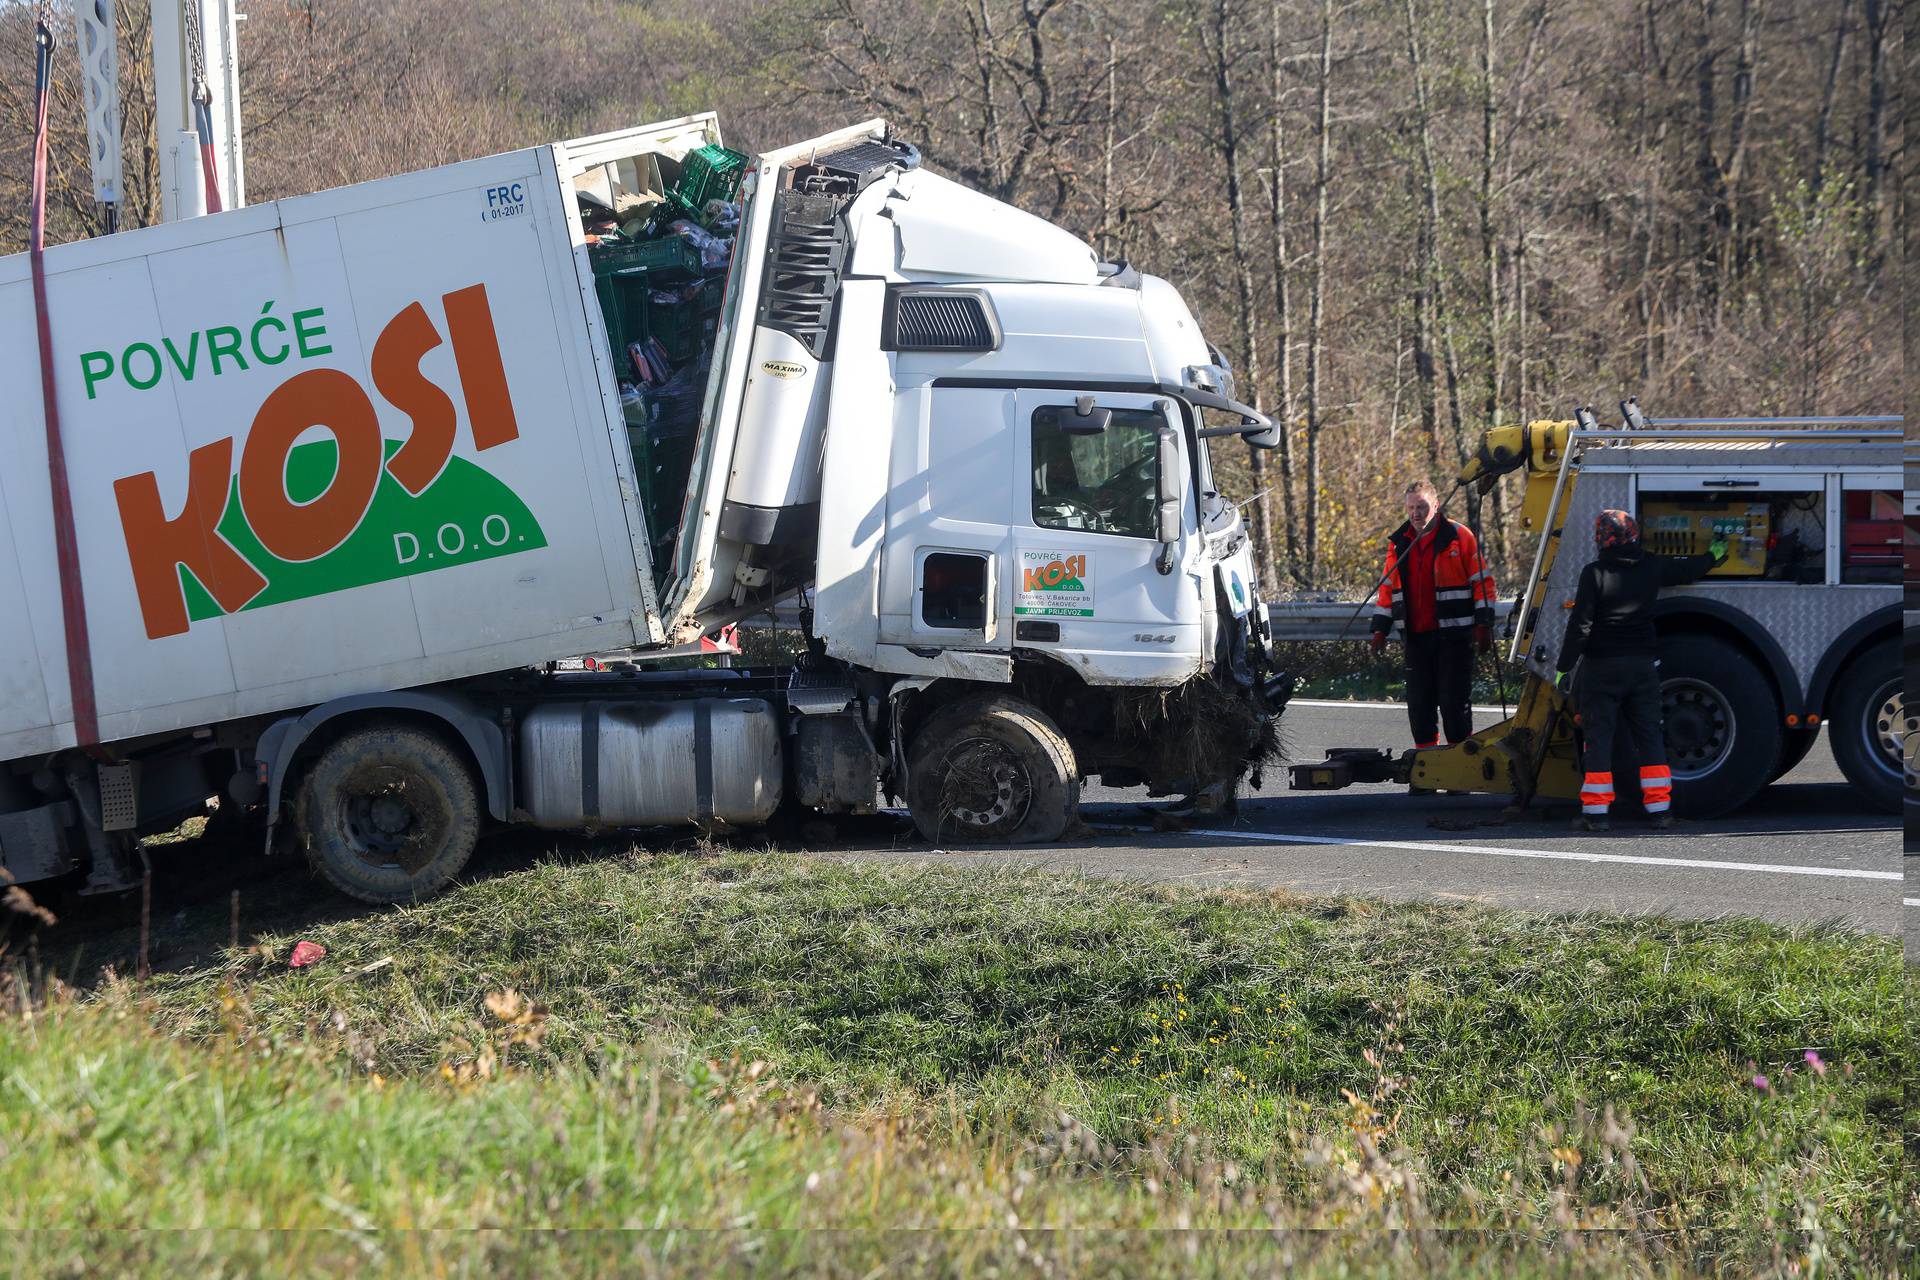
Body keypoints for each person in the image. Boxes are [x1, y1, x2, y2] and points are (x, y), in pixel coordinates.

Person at [1556, 509, 1725, 831]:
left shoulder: (1594, 573)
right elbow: (1686, 570)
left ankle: (1596, 814)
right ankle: (1660, 810)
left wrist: (1564, 668)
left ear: (1601, 540)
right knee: (1649, 736)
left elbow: (1581, 626)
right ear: (1633, 535)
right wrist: (1713, 556)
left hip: (1602, 668)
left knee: (1600, 738)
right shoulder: (1650, 566)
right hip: (1643, 668)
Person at [1370, 480, 1498, 749]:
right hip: (1416, 639)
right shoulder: (1399, 544)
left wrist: (1484, 625)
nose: (1416, 513)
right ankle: (1427, 768)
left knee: (1454, 703)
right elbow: (1387, 588)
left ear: (1436, 506)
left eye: (1422, 506)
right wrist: (1380, 629)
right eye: (1411, 508)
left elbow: (1482, 583)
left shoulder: (1459, 536)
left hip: (1455, 638)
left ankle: (1459, 768)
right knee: (1420, 705)